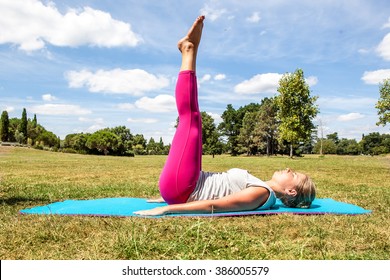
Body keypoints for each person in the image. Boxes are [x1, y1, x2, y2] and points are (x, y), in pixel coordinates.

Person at [134, 15, 316, 216]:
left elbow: (217, 206)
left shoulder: (261, 194)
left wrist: (169, 208)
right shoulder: (261, 188)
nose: (290, 169)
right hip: (186, 185)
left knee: (191, 119)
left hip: (183, 189)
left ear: (291, 191)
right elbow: (216, 191)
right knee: (193, 121)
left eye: (295, 175)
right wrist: (166, 197)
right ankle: (188, 50)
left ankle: (188, 51)